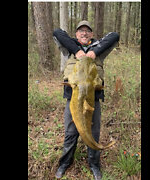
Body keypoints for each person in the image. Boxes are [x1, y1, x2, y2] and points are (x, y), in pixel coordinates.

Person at [53, 20, 119, 180]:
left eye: (87, 31)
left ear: (92, 34)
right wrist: (77, 51)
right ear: (76, 34)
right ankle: (65, 163)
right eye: (81, 31)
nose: (84, 33)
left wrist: (94, 52)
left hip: (93, 100)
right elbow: (57, 32)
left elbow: (114, 36)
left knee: (93, 133)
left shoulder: (98, 48)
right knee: (70, 133)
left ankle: (94, 165)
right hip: (73, 99)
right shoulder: (69, 48)